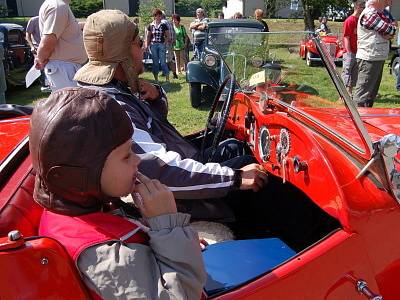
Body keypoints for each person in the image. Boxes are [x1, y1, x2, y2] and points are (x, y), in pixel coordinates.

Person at [74, 10, 268, 222]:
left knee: (234, 147)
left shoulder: (115, 90)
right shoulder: (113, 107)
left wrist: (156, 95)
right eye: (139, 43)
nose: (144, 47)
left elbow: (155, 122)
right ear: (124, 54)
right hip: (177, 195)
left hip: (182, 164)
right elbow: (158, 170)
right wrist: (237, 178)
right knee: (257, 173)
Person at [29, 87, 206, 298]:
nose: (137, 160)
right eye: (126, 156)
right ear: (83, 176)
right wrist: (168, 226)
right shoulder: (103, 258)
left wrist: (171, 242)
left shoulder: (79, 203)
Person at [35, 0, 87, 92]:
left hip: (65, 68)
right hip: (64, 69)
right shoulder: (58, 6)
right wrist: (41, 59)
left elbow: (65, 29)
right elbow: (48, 40)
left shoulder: (58, 5)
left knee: (71, 104)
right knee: (71, 104)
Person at [353, 0, 397, 107]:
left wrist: (391, 30)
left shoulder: (379, 14)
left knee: (370, 95)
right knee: (362, 95)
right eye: (387, 0)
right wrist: (391, 30)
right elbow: (390, 30)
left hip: (376, 57)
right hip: (369, 58)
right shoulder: (369, 14)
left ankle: (365, 119)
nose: (389, 3)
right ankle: (356, 119)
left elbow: (393, 29)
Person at [341, 0, 366, 95]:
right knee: (347, 71)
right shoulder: (350, 20)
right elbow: (346, 37)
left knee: (354, 73)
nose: (363, 9)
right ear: (356, 7)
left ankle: (350, 91)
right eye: (361, 7)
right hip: (349, 51)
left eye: (364, 7)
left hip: (358, 51)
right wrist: (349, 52)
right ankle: (344, 94)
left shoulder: (361, 21)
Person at [26, 16, 50, 93]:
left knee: (51, 66)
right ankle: (45, 85)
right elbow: (27, 34)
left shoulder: (52, 19)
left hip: (50, 47)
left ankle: (51, 84)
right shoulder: (34, 20)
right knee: (41, 66)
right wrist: (31, 46)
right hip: (38, 48)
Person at [146, 8, 170, 82]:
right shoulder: (150, 25)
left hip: (161, 45)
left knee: (163, 62)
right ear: (154, 16)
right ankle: (156, 79)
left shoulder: (163, 25)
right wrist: (147, 45)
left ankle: (167, 79)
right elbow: (148, 36)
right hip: (153, 45)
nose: (159, 17)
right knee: (155, 63)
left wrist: (164, 43)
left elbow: (167, 35)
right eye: (157, 15)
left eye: (160, 15)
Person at [161, 12, 178, 79]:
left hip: (165, 43)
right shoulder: (169, 23)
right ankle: (168, 73)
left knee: (168, 60)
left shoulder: (162, 23)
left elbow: (162, 33)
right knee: (169, 58)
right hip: (170, 43)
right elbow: (174, 32)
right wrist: (173, 41)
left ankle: (173, 74)